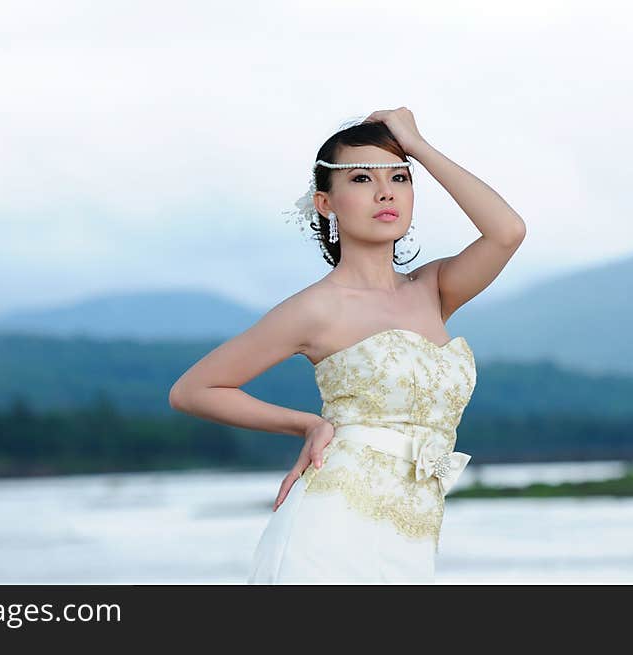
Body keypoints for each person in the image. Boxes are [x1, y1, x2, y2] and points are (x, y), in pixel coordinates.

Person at [168, 108, 526, 584]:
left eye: (399, 177)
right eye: (361, 178)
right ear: (325, 202)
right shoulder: (315, 308)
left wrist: (417, 144)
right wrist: (307, 424)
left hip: (413, 534)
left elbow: (508, 232)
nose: (385, 192)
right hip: (329, 529)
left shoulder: (434, 290)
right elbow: (194, 389)